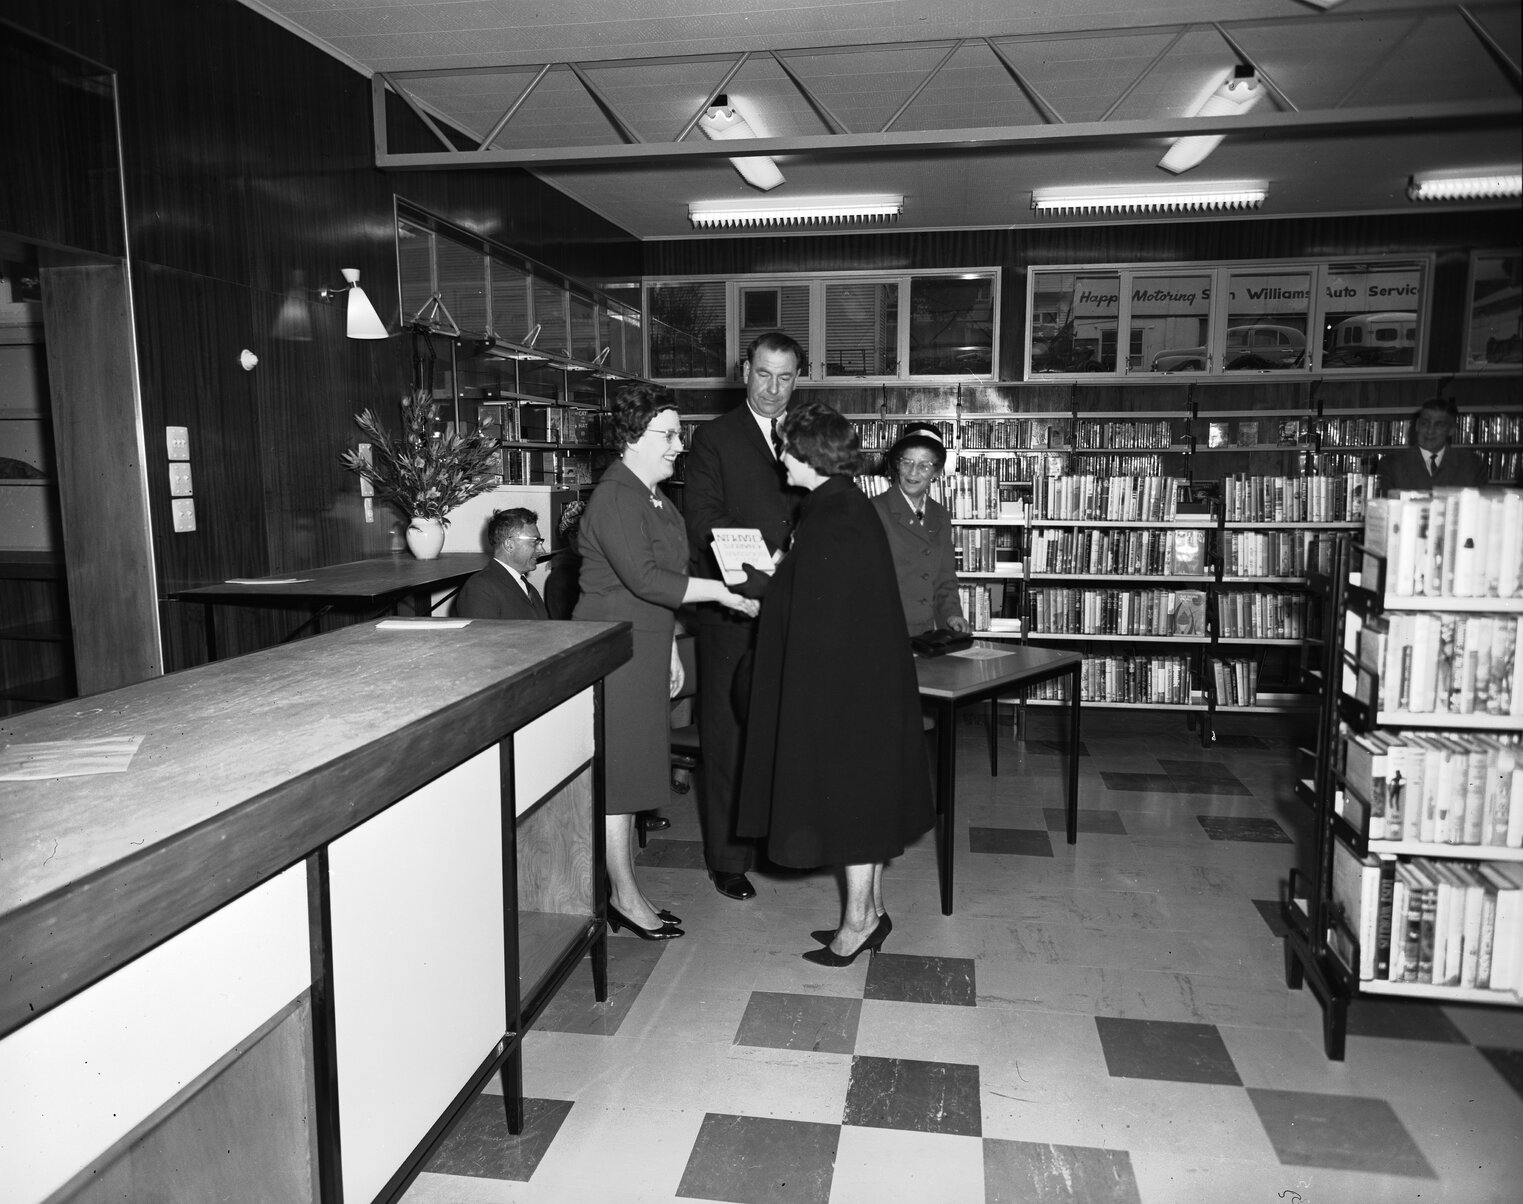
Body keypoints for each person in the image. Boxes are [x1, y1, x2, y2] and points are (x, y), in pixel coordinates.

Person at [737, 398, 935, 966]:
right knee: (865, 806)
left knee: (852, 811)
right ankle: (870, 914)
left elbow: (810, 615)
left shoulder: (830, 515)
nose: (780, 461)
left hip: (844, 694)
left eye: (786, 451)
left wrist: (757, 585)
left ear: (810, 454)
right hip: (865, 686)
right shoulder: (845, 505)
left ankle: (856, 926)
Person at [575, 383, 758, 940]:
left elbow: (665, 581)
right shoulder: (616, 497)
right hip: (616, 650)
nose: (680, 445)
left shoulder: (654, 496)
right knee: (622, 779)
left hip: (646, 645)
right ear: (632, 437)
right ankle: (624, 898)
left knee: (631, 775)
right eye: (669, 434)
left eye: (680, 434)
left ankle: (623, 892)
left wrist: (672, 645)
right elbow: (647, 579)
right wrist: (725, 594)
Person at [683, 331, 804, 901]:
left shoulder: (807, 434)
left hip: (794, 613)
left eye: (784, 378)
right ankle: (727, 859)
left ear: (797, 379)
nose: (773, 389)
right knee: (728, 738)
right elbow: (704, 521)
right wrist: (766, 573)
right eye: (763, 374)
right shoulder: (714, 438)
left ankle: (777, 843)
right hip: (734, 611)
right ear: (744, 370)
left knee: (784, 735)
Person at [871, 422, 970, 636]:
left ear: (936, 472)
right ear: (897, 465)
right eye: (907, 462)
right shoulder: (874, 510)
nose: (913, 472)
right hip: (884, 631)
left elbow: (945, 576)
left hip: (925, 634)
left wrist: (952, 614)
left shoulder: (941, 515)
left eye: (924, 465)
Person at [1377, 397, 1489, 493]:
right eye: (1425, 423)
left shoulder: (1472, 465)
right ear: (1417, 426)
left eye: (1439, 425)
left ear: (1451, 430)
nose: (1430, 431)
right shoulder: (1391, 464)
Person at [453, 508, 548, 620]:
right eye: (534, 542)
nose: (542, 550)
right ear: (509, 544)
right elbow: (482, 636)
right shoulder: (480, 589)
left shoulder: (527, 587)